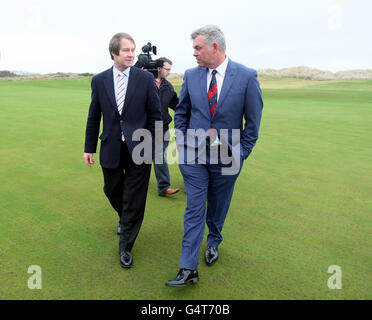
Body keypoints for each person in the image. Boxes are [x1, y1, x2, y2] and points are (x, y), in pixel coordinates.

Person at [166, 25, 263, 286]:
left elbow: (252, 124)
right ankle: (187, 268)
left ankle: (214, 241)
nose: (194, 53)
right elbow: (182, 112)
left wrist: (240, 154)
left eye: (198, 48)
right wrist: (183, 141)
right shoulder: (191, 75)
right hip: (194, 158)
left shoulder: (246, 76)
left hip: (227, 158)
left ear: (214, 47)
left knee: (218, 206)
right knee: (194, 209)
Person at [83, 32, 162, 269]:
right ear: (113, 53)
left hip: (140, 148)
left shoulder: (145, 79)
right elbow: (93, 115)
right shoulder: (99, 80)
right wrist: (89, 147)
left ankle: (126, 245)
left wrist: (151, 144)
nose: (131, 54)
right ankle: (125, 218)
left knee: (135, 198)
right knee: (112, 189)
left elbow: (156, 115)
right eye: (126, 50)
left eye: (133, 50)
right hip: (110, 146)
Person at [153, 57, 180, 196]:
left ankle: (163, 187)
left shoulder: (168, 87)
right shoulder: (144, 82)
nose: (169, 72)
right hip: (143, 127)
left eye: (170, 69)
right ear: (158, 68)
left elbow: (177, 105)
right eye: (167, 69)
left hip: (162, 127)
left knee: (159, 156)